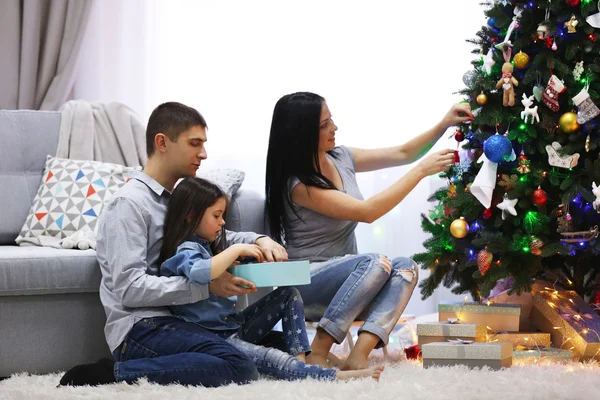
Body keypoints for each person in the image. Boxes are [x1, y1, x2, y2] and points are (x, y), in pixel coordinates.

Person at [60, 102, 287, 387]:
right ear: (162, 142)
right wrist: (205, 286)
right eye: (195, 144)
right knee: (240, 366)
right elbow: (130, 289)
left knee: (275, 345)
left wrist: (258, 238)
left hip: (181, 320)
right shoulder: (129, 204)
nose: (203, 154)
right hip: (142, 327)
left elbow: (217, 238)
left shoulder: (178, 201)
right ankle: (113, 373)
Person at [265, 92, 474, 369]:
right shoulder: (299, 185)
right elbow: (368, 212)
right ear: (301, 134)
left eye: (331, 120)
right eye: (324, 125)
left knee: (405, 268)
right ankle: (319, 349)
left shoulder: (341, 157)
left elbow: (404, 153)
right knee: (375, 262)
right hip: (308, 283)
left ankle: (358, 356)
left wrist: (443, 124)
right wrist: (421, 171)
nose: (334, 128)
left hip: (352, 284)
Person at [158, 176, 384, 381]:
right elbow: (201, 272)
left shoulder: (207, 246)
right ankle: (332, 377)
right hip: (216, 339)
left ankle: (304, 365)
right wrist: (235, 250)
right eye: (217, 216)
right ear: (190, 216)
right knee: (272, 357)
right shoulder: (185, 250)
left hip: (233, 325)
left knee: (288, 295)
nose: (223, 223)